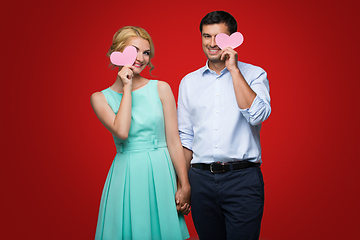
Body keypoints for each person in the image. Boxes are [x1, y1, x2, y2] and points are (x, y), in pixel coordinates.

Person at [177, 11, 271, 240]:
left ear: (233, 39)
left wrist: (234, 70)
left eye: (218, 37)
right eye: (206, 36)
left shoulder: (254, 74)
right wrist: (183, 184)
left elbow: (257, 115)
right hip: (201, 181)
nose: (211, 44)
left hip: (242, 179)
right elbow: (185, 136)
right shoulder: (189, 82)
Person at [91, 26, 190, 240]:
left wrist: (184, 184)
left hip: (162, 170)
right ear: (118, 51)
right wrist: (127, 87)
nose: (141, 58)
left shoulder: (161, 88)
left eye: (146, 53)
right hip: (127, 173)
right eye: (135, 50)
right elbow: (122, 131)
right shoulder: (100, 98)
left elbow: (174, 140)